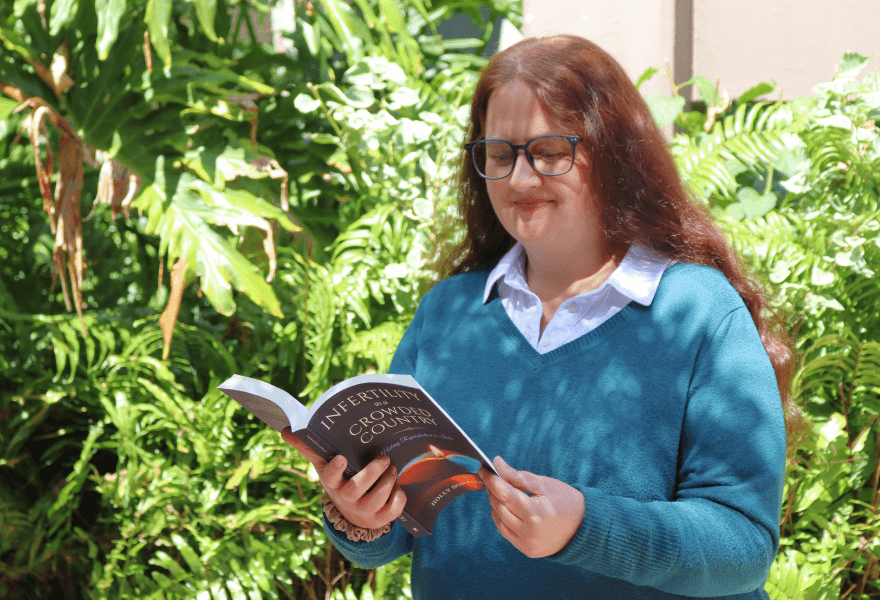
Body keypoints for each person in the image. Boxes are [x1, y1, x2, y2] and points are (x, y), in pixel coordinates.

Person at [282, 34, 802, 599]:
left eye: (549, 151)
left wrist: (585, 526)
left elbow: (743, 547)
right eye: (500, 155)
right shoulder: (447, 314)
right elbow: (398, 536)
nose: (520, 180)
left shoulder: (697, 311)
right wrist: (362, 514)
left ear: (612, 153)